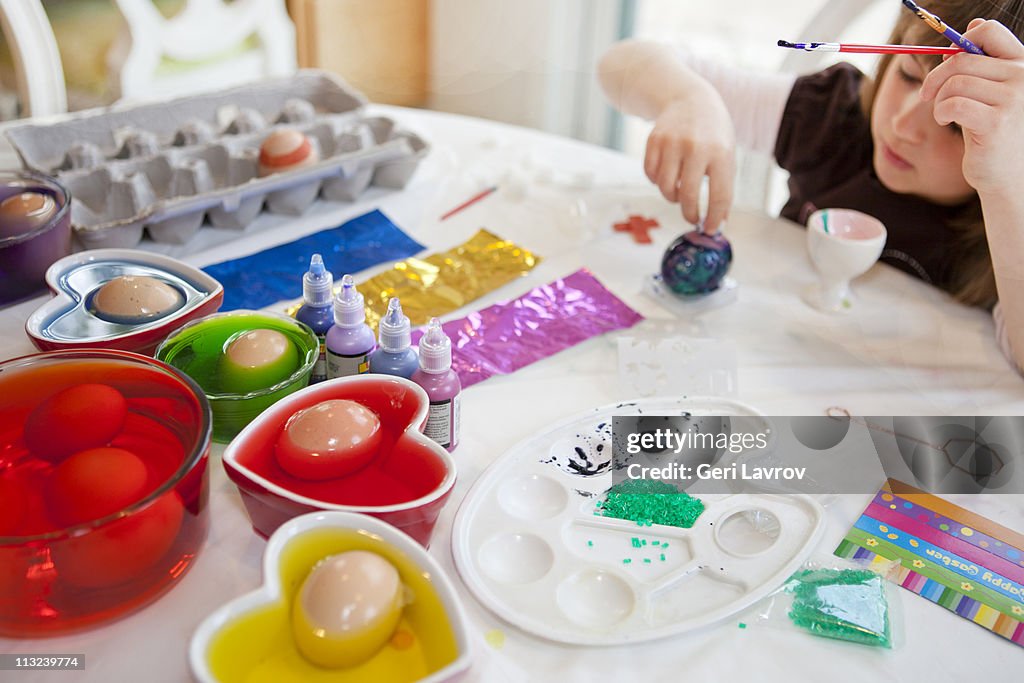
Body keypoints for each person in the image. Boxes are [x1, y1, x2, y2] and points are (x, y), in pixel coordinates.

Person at [598, 1, 1024, 372]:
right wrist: (687, 99)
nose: (903, 126)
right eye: (909, 76)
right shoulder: (831, 117)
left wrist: (1004, 182)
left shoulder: (1008, 206)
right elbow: (619, 63)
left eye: (954, 122)